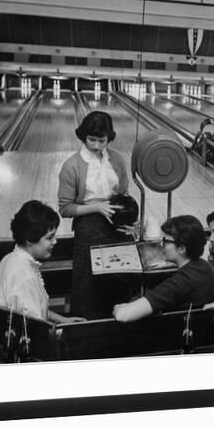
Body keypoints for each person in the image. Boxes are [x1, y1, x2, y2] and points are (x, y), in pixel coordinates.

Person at [58, 111, 132, 319]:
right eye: (92, 139)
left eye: (102, 140)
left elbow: (124, 194)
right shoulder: (72, 166)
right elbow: (65, 208)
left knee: (117, 283)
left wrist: (128, 220)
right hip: (88, 228)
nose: (96, 145)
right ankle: (85, 330)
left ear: (109, 138)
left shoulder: (116, 159)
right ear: (83, 136)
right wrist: (97, 207)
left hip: (116, 226)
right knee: (87, 288)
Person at [112, 215, 214, 322]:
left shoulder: (182, 281)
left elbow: (123, 315)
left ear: (181, 248)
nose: (161, 245)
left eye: (166, 241)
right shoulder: (203, 266)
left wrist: (117, 307)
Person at [0, 200, 86, 323]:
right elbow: (35, 328)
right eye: (49, 237)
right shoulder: (24, 276)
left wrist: (64, 320)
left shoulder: (10, 258)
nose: (55, 241)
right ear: (29, 239)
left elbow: (36, 309)